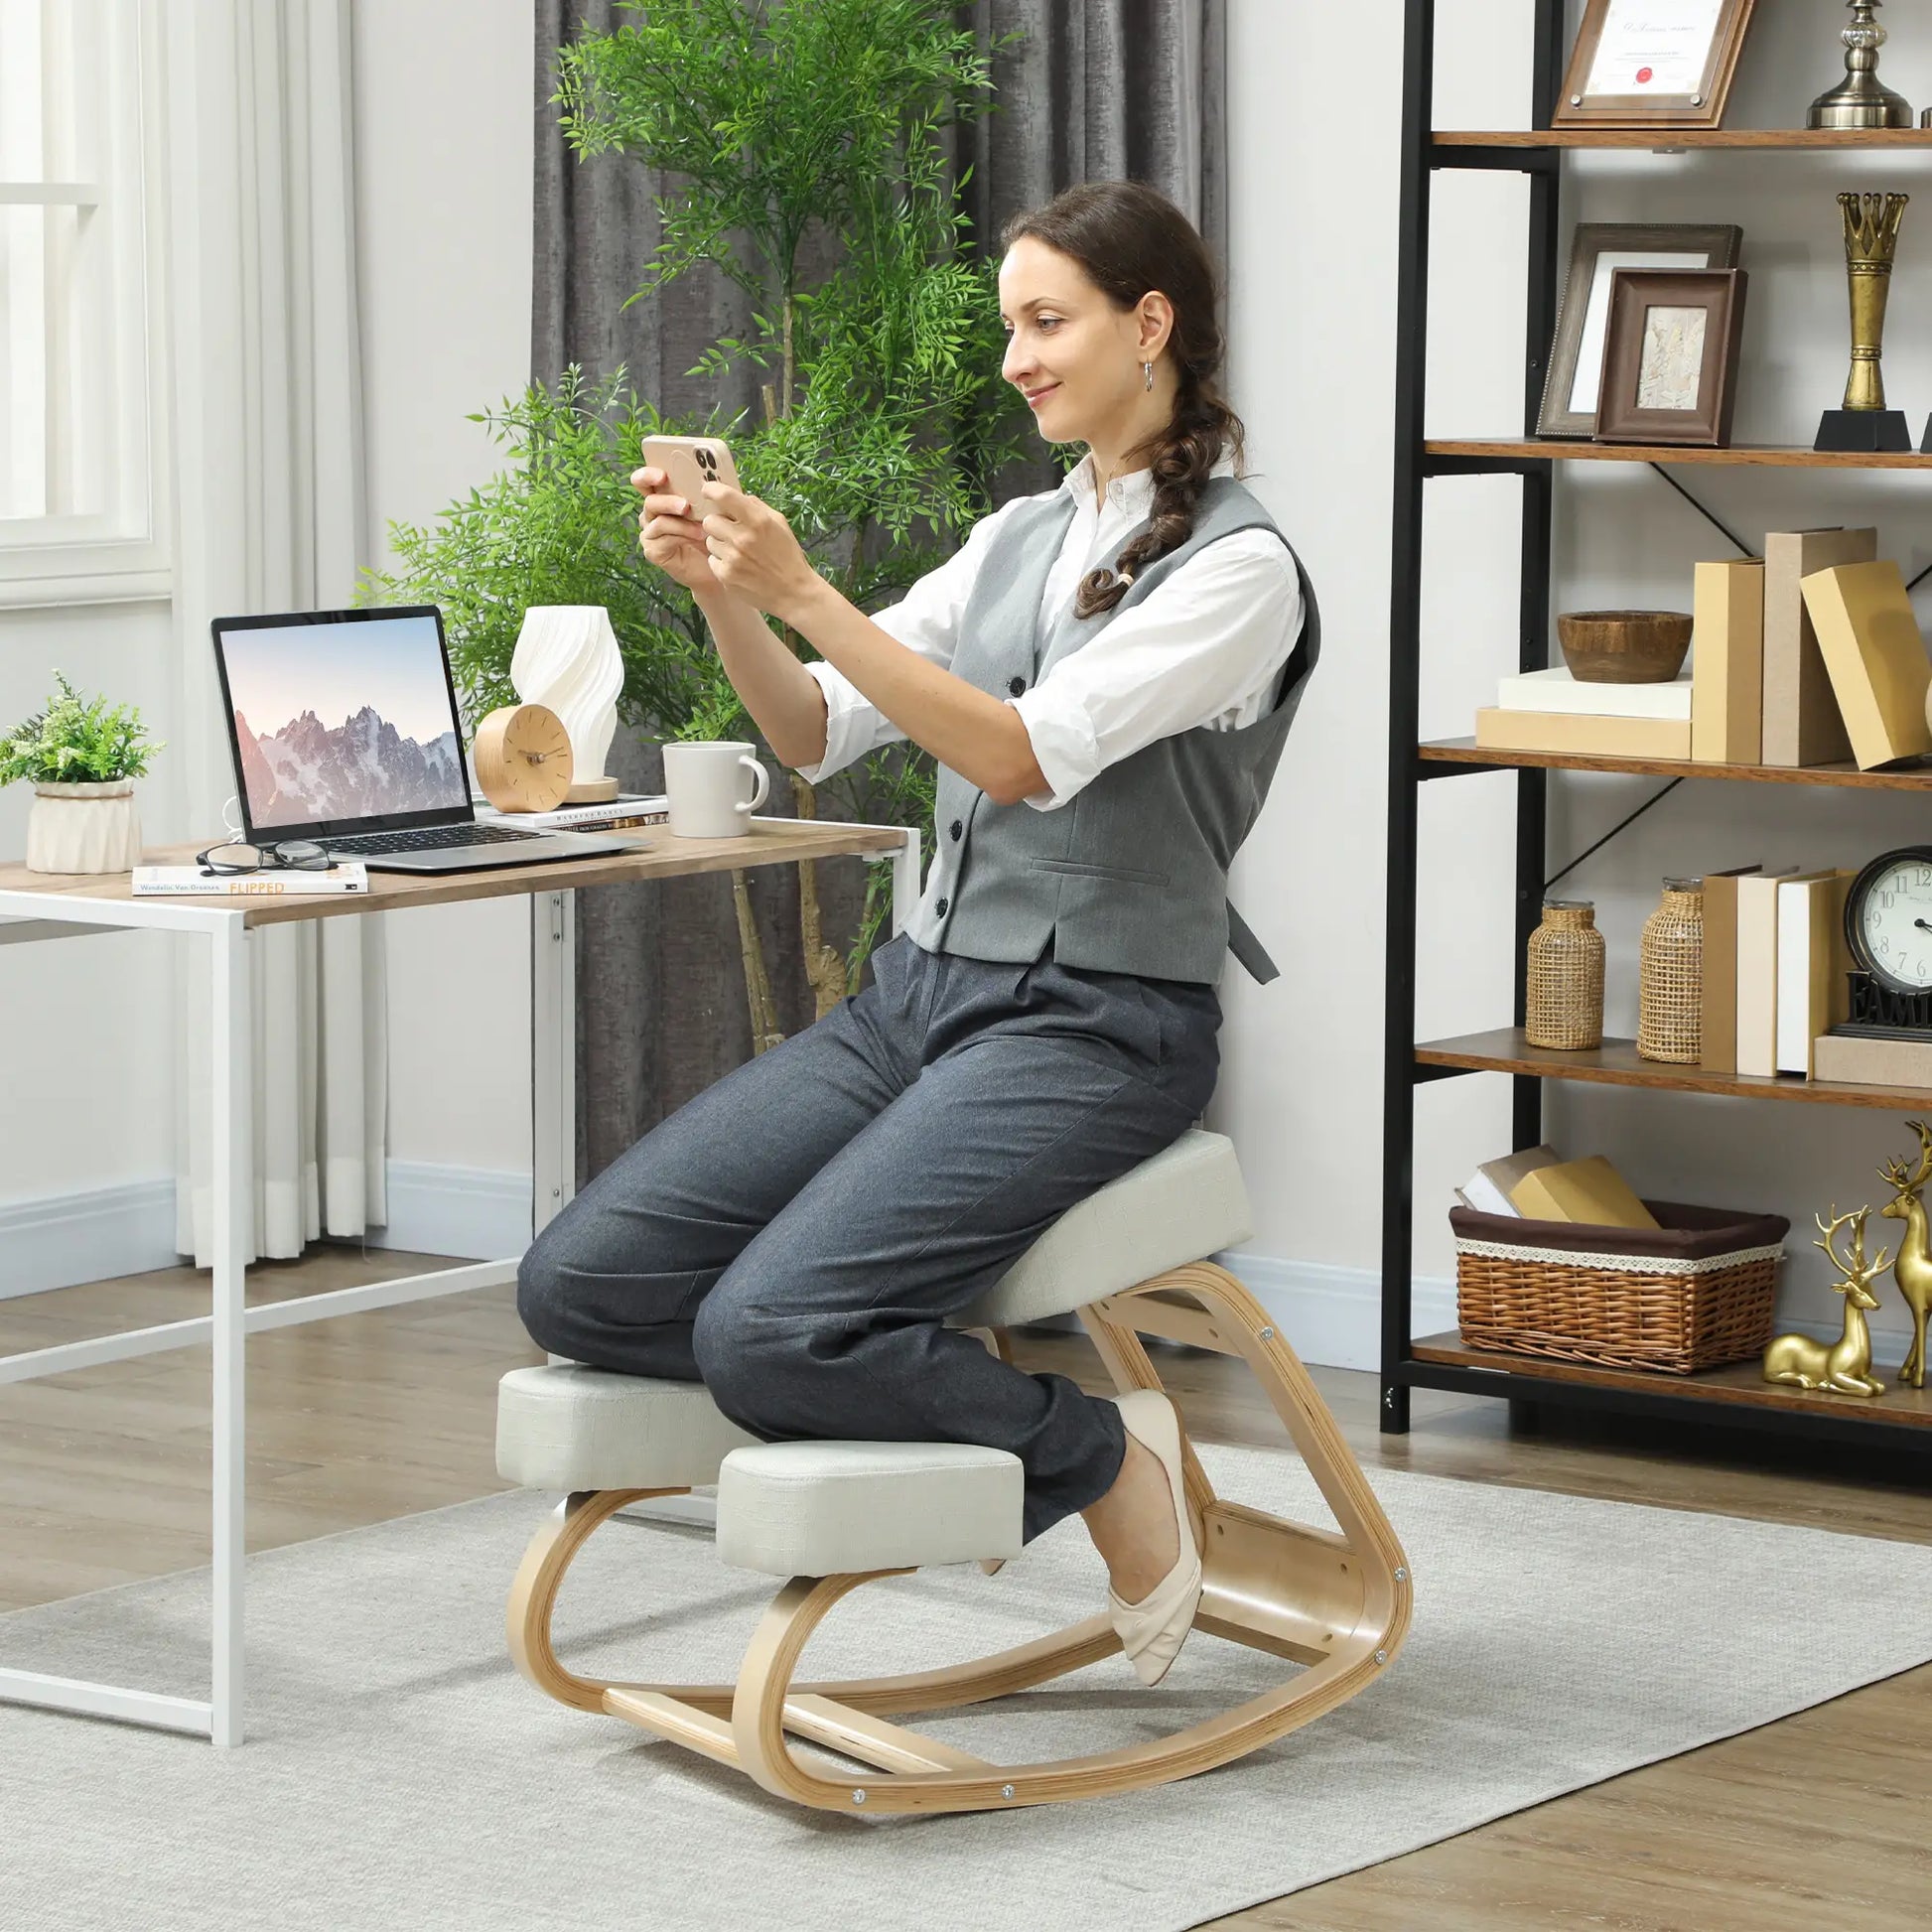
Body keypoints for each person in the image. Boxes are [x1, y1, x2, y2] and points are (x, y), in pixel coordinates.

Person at [516, 179, 1317, 1687]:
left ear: (1149, 327)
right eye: (1008, 325)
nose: (1015, 356)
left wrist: (804, 582)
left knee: (769, 1328)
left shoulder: (1238, 569)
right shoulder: (1018, 533)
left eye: (1044, 320)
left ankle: (1094, 1451)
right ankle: (971, 1398)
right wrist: (723, 598)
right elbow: (814, 729)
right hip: (917, 999)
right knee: (582, 1283)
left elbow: (1019, 752)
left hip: (1095, 1023)